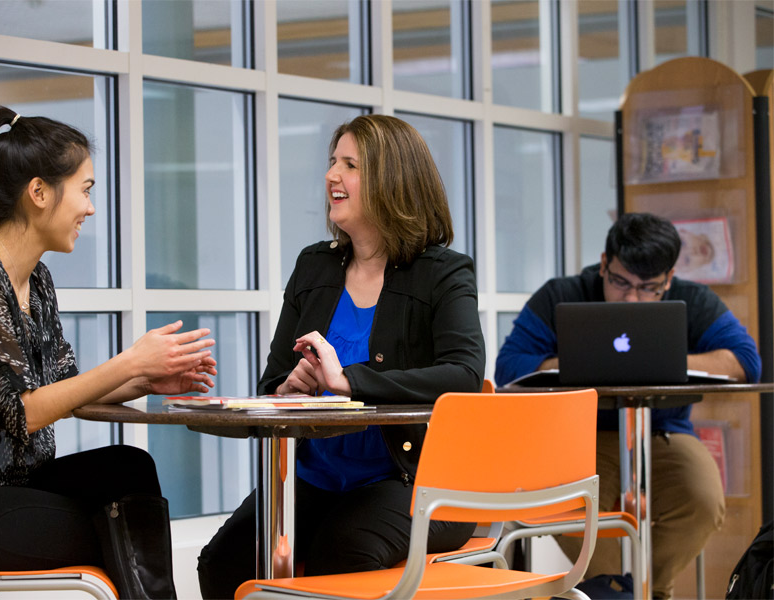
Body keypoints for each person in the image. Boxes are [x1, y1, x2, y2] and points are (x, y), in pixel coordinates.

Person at [0, 106, 218, 600]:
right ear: (39, 193)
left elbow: (64, 386)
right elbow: (20, 412)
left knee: (130, 470)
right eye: (85, 189)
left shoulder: (35, 279)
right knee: (111, 527)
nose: (91, 208)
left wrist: (145, 380)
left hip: (4, 487)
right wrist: (131, 361)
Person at [196, 115, 485, 598]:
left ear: (393, 180)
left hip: (417, 482)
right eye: (333, 162)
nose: (332, 175)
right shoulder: (314, 265)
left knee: (342, 557)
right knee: (225, 562)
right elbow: (272, 383)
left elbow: (464, 375)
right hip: (316, 475)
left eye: (350, 164)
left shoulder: (444, 272)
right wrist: (287, 390)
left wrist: (348, 382)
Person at [495, 212, 762, 599]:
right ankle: (610, 591)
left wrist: (666, 359)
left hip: (663, 434)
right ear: (604, 263)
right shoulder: (560, 294)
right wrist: (575, 362)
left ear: (668, 279)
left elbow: (745, 362)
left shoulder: (693, 299)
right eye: (620, 282)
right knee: (568, 506)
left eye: (649, 287)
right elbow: (509, 365)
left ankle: (644, 589)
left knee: (702, 498)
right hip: (578, 438)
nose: (632, 297)